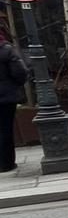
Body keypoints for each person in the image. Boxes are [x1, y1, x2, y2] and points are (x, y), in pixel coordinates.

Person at [0, 25, 26, 173]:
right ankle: (6, 163)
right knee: (5, 129)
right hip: (5, 96)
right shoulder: (6, 49)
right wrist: (15, 85)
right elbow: (19, 72)